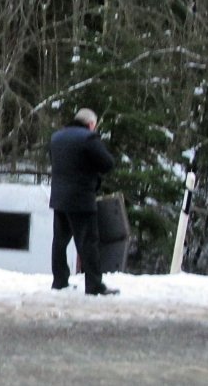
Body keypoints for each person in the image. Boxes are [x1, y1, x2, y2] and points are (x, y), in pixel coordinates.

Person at [49, 108, 118, 296]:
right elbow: (107, 163)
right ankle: (94, 284)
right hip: (81, 198)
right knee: (88, 242)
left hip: (59, 198)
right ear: (91, 124)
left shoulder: (57, 137)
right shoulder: (88, 138)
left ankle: (59, 280)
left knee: (60, 241)